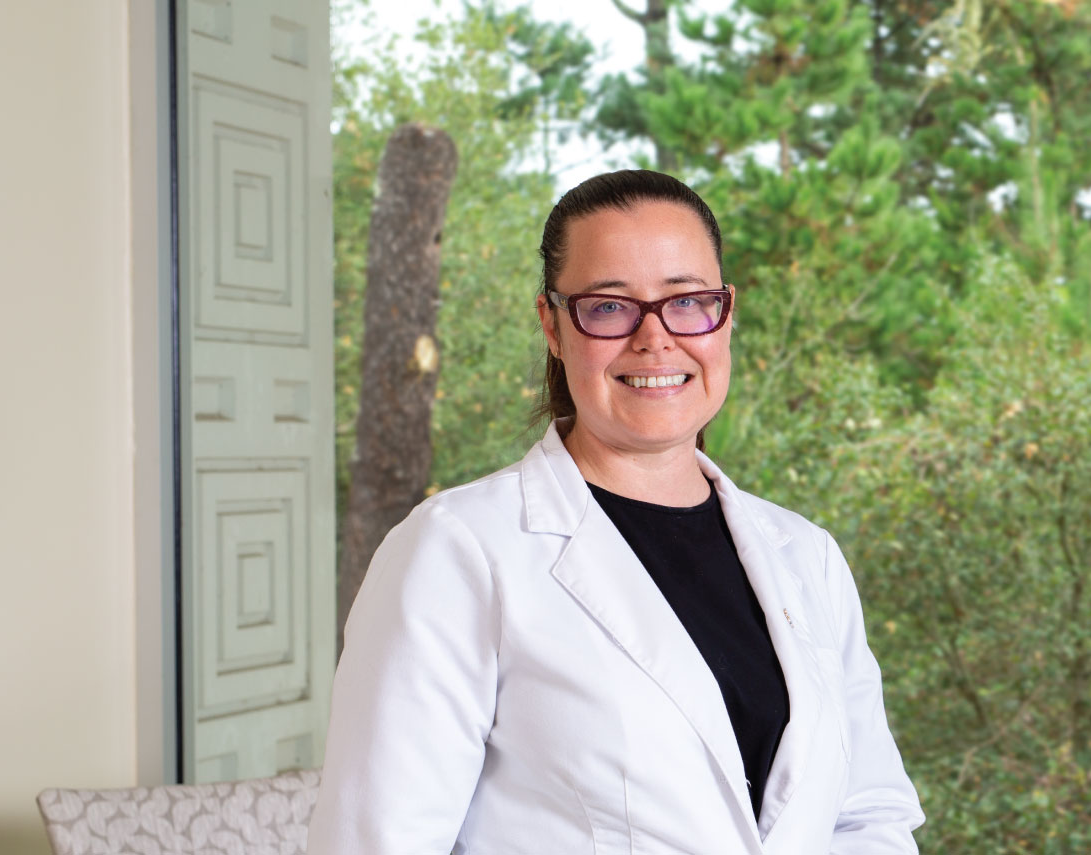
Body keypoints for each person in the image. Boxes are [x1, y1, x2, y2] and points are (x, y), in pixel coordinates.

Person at [307, 170, 924, 853]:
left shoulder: (808, 557)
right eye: (608, 307)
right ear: (552, 323)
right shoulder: (457, 552)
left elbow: (869, 817)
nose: (655, 338)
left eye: (688, 300)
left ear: (726, 313)